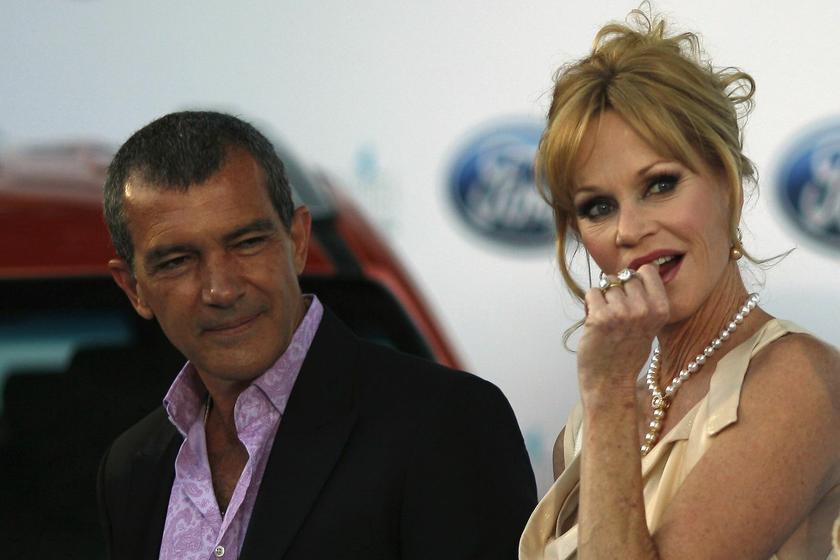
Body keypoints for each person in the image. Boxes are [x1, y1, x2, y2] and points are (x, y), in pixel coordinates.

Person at [97, 110, 537, 560]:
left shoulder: (444, 422)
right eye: (177, 262)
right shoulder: (133, 467)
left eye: (247, 242)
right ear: (134, 289)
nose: (221, 289)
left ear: (299, 241)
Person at [519, 9, 840, 560]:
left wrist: (611, 395)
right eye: (598, 206)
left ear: (725, 178)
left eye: (660, 184)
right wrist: (609, 401)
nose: (629, 230)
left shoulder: (800, 384)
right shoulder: (585, 430)